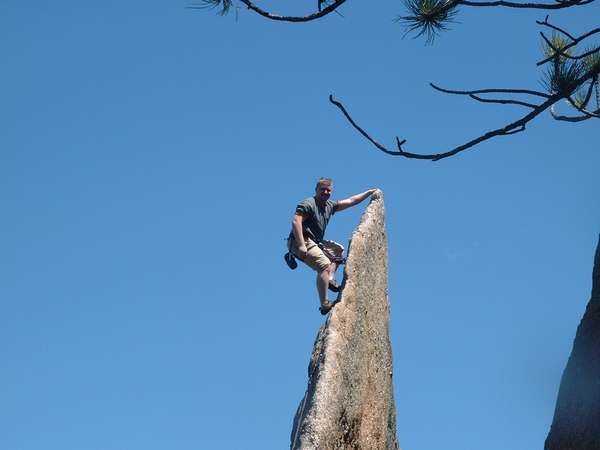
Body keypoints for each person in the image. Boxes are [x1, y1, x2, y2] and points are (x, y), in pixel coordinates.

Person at [285, 178, 378, 315]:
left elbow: (351, 201)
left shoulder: (329, 206)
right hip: (301, 240)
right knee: (324, 265)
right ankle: (324, 304)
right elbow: (296, 221)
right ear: (316, 190)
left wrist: (369, 193)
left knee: (338, 250)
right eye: (323, 189)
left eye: (328, 190)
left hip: (314, 241)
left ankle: (329, 279)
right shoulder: (309, 203)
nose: (326, 192)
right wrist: (300, 245)